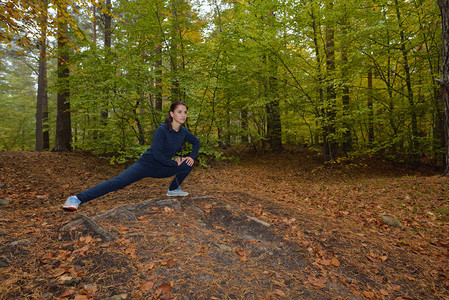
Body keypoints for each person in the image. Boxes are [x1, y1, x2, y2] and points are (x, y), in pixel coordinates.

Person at [63, 101, 200, 211]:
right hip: (146, 165)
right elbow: (157, 155)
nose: (183, 115)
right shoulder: (162, 130)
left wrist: (191, 157)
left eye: (185, 112)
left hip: (162, 168)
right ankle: (77, 198)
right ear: (172, 114)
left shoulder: (183, 132)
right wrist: (174, 163)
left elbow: (196, 142)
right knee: (119, 182)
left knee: (188, 163)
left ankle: (173, 189)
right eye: (179, 112)